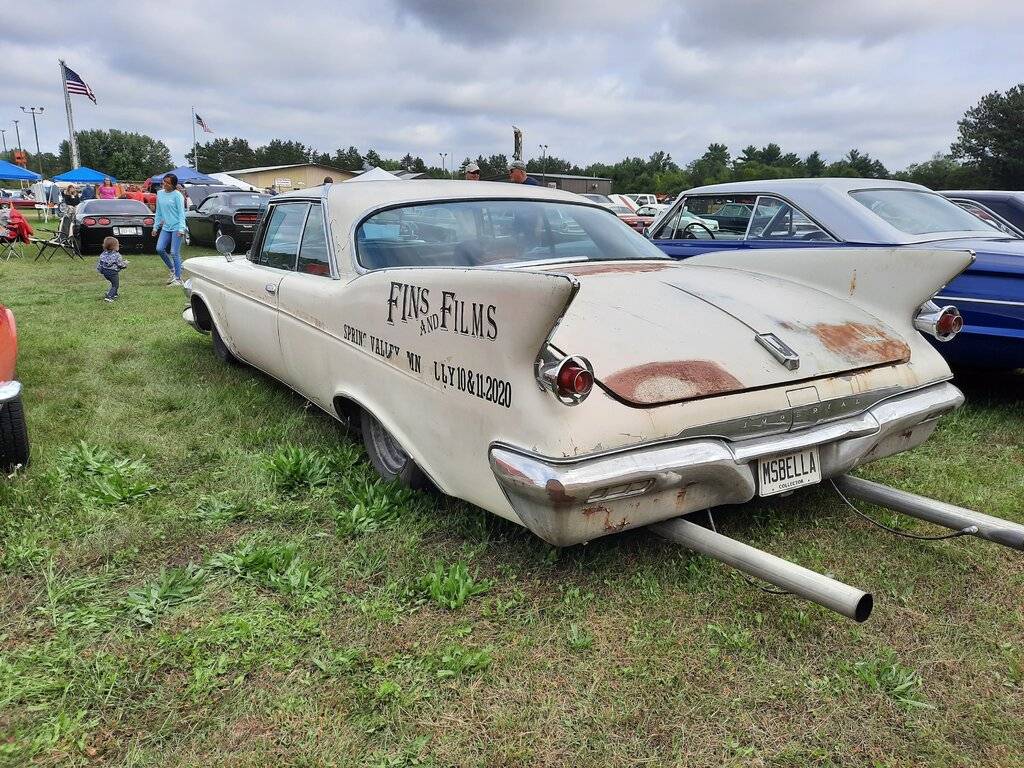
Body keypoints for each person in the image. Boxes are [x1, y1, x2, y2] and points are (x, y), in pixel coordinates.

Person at [153, 173, 187, 286]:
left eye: (168, 182)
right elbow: (158, 212)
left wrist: (181, 229)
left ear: (173, 185)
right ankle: (173, 269)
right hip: (166, 227)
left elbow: (182, 213)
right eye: (164, 181)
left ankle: (178, 278)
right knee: (159, 249)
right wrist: (155, 227)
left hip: (177, 227)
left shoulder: (178, 195)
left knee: (174, 252)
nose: (165, 184)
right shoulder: (160, 194)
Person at [97, 236, 129, 302]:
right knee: (115, 285)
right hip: (112, 273)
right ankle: (109, 296)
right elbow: (120, 264)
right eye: (118, 245)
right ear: (115, 246)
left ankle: (114, 294)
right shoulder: (117, 255)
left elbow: (100, 263)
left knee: (113, 283)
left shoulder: (103, 253)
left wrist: (100, 270)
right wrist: (125, 263)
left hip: (105, 272)